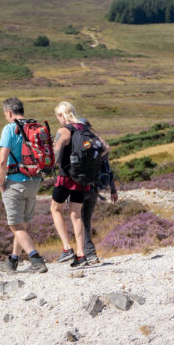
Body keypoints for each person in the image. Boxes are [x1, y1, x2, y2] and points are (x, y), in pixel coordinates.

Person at [50, 101, 109, 267]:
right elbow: (105, 148)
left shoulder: (64, 131)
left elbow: (56, 155)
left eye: (58, 116)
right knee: (76, 215)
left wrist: (51, 163)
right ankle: (81, 255)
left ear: (62, 115)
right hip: (83, 179)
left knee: (55, 209)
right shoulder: (86, 129)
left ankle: (67, 248)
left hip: (66, 176)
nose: (58, 120)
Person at [0, 97, 48, 274]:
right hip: (34, 181)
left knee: (16, 226)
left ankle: (36, 259)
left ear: (9, 112)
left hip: (15, 182)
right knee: (23, 224)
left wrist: (1, 183)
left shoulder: (10, 128)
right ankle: (13, 261)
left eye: (5, 114)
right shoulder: (35, 126)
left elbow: (2, 160)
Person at [78, 156, 118, 266]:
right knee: (85, 221)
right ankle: (85, 253)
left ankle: (88, 253)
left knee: (79, 221)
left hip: (77, 188)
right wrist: (113, 190)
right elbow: (108, 170)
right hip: (94, 189)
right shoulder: (98, 144)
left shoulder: (72, 142)